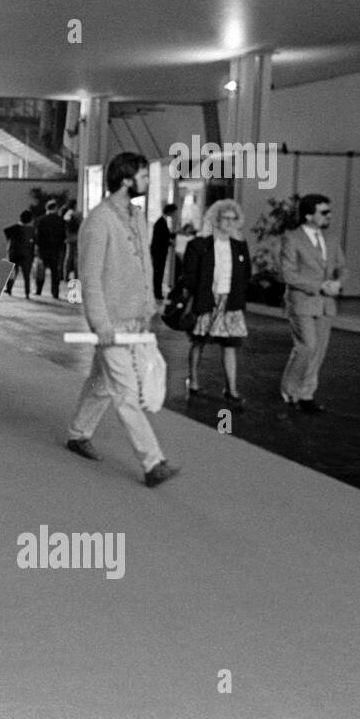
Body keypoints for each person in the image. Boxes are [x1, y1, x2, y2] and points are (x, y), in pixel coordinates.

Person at [65, 152, 179, 487]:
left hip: (134, 321)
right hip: (111, 324)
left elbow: (146, 268)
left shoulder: (138, 216)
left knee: (101, 384)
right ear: (126, 179)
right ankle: (153, 462)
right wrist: (101, 326)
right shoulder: (99, 221)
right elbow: (90, 277)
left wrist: (148, 309)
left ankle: (77, 433)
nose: (147, 181)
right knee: (126, 391)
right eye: (143, 175)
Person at [181, 199, 251, 405]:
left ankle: (232, 388)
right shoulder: (199, 244)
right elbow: (190, 275)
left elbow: (246, 273)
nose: (229, 223)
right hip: (206, 301)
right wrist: (199, 296)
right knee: (198, 341)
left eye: (233, 219)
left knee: (230, 345)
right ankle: (193, 380)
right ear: (215, 219)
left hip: (230, 301)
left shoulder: (239, 246)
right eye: (225, 218)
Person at [279, 193, 345, 412]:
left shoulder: (332, 238)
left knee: (319, 351)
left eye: (329, 211)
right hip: (302, 302)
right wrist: (319, 286)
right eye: (324, 212)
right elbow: (288, 274)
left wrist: (338, 282)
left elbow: (342, 267)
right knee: (307, 346)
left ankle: (306, 394)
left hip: (325, 304)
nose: (329, 215)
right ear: (308, 215)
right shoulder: (292, 238)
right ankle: (290, 389)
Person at [33, 199, 68, 299]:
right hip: (56, 249)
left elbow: (38, 235)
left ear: (46, 208)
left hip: (43, 249)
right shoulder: (60, 220)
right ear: (55, 208)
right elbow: (63, 235)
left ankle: (38, 290)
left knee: (41, 270)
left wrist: (38, 247)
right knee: (55, 271)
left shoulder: (41, 219)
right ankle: (55, 292)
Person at [2, 209, 37, 298]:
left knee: (13, 272)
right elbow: (34, 242)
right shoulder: (31, 230)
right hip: (26, 254)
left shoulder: (15, 227)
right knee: (26, 274)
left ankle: (9, 289)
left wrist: (9, 241)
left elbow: (6, 231)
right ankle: (27, 292)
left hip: (14, 253)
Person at [150, 203, 177, 299]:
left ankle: (157, 292)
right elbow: (161, 239)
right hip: (159, 253)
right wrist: (170, 242)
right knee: (158, 273)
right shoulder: (161, 222)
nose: (174, 214)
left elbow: (164, 236)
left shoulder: (162, 222)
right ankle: (157, 293)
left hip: (159, 252)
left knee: (158, 273)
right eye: (173, 212)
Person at [63, 199, 80, 280]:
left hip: (69, 238)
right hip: (77, 237)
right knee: (76, 257)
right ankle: (76, 276)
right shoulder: (78, 214)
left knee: (68, 257)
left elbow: (64, 224)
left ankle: (65, 276)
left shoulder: (66, 214)